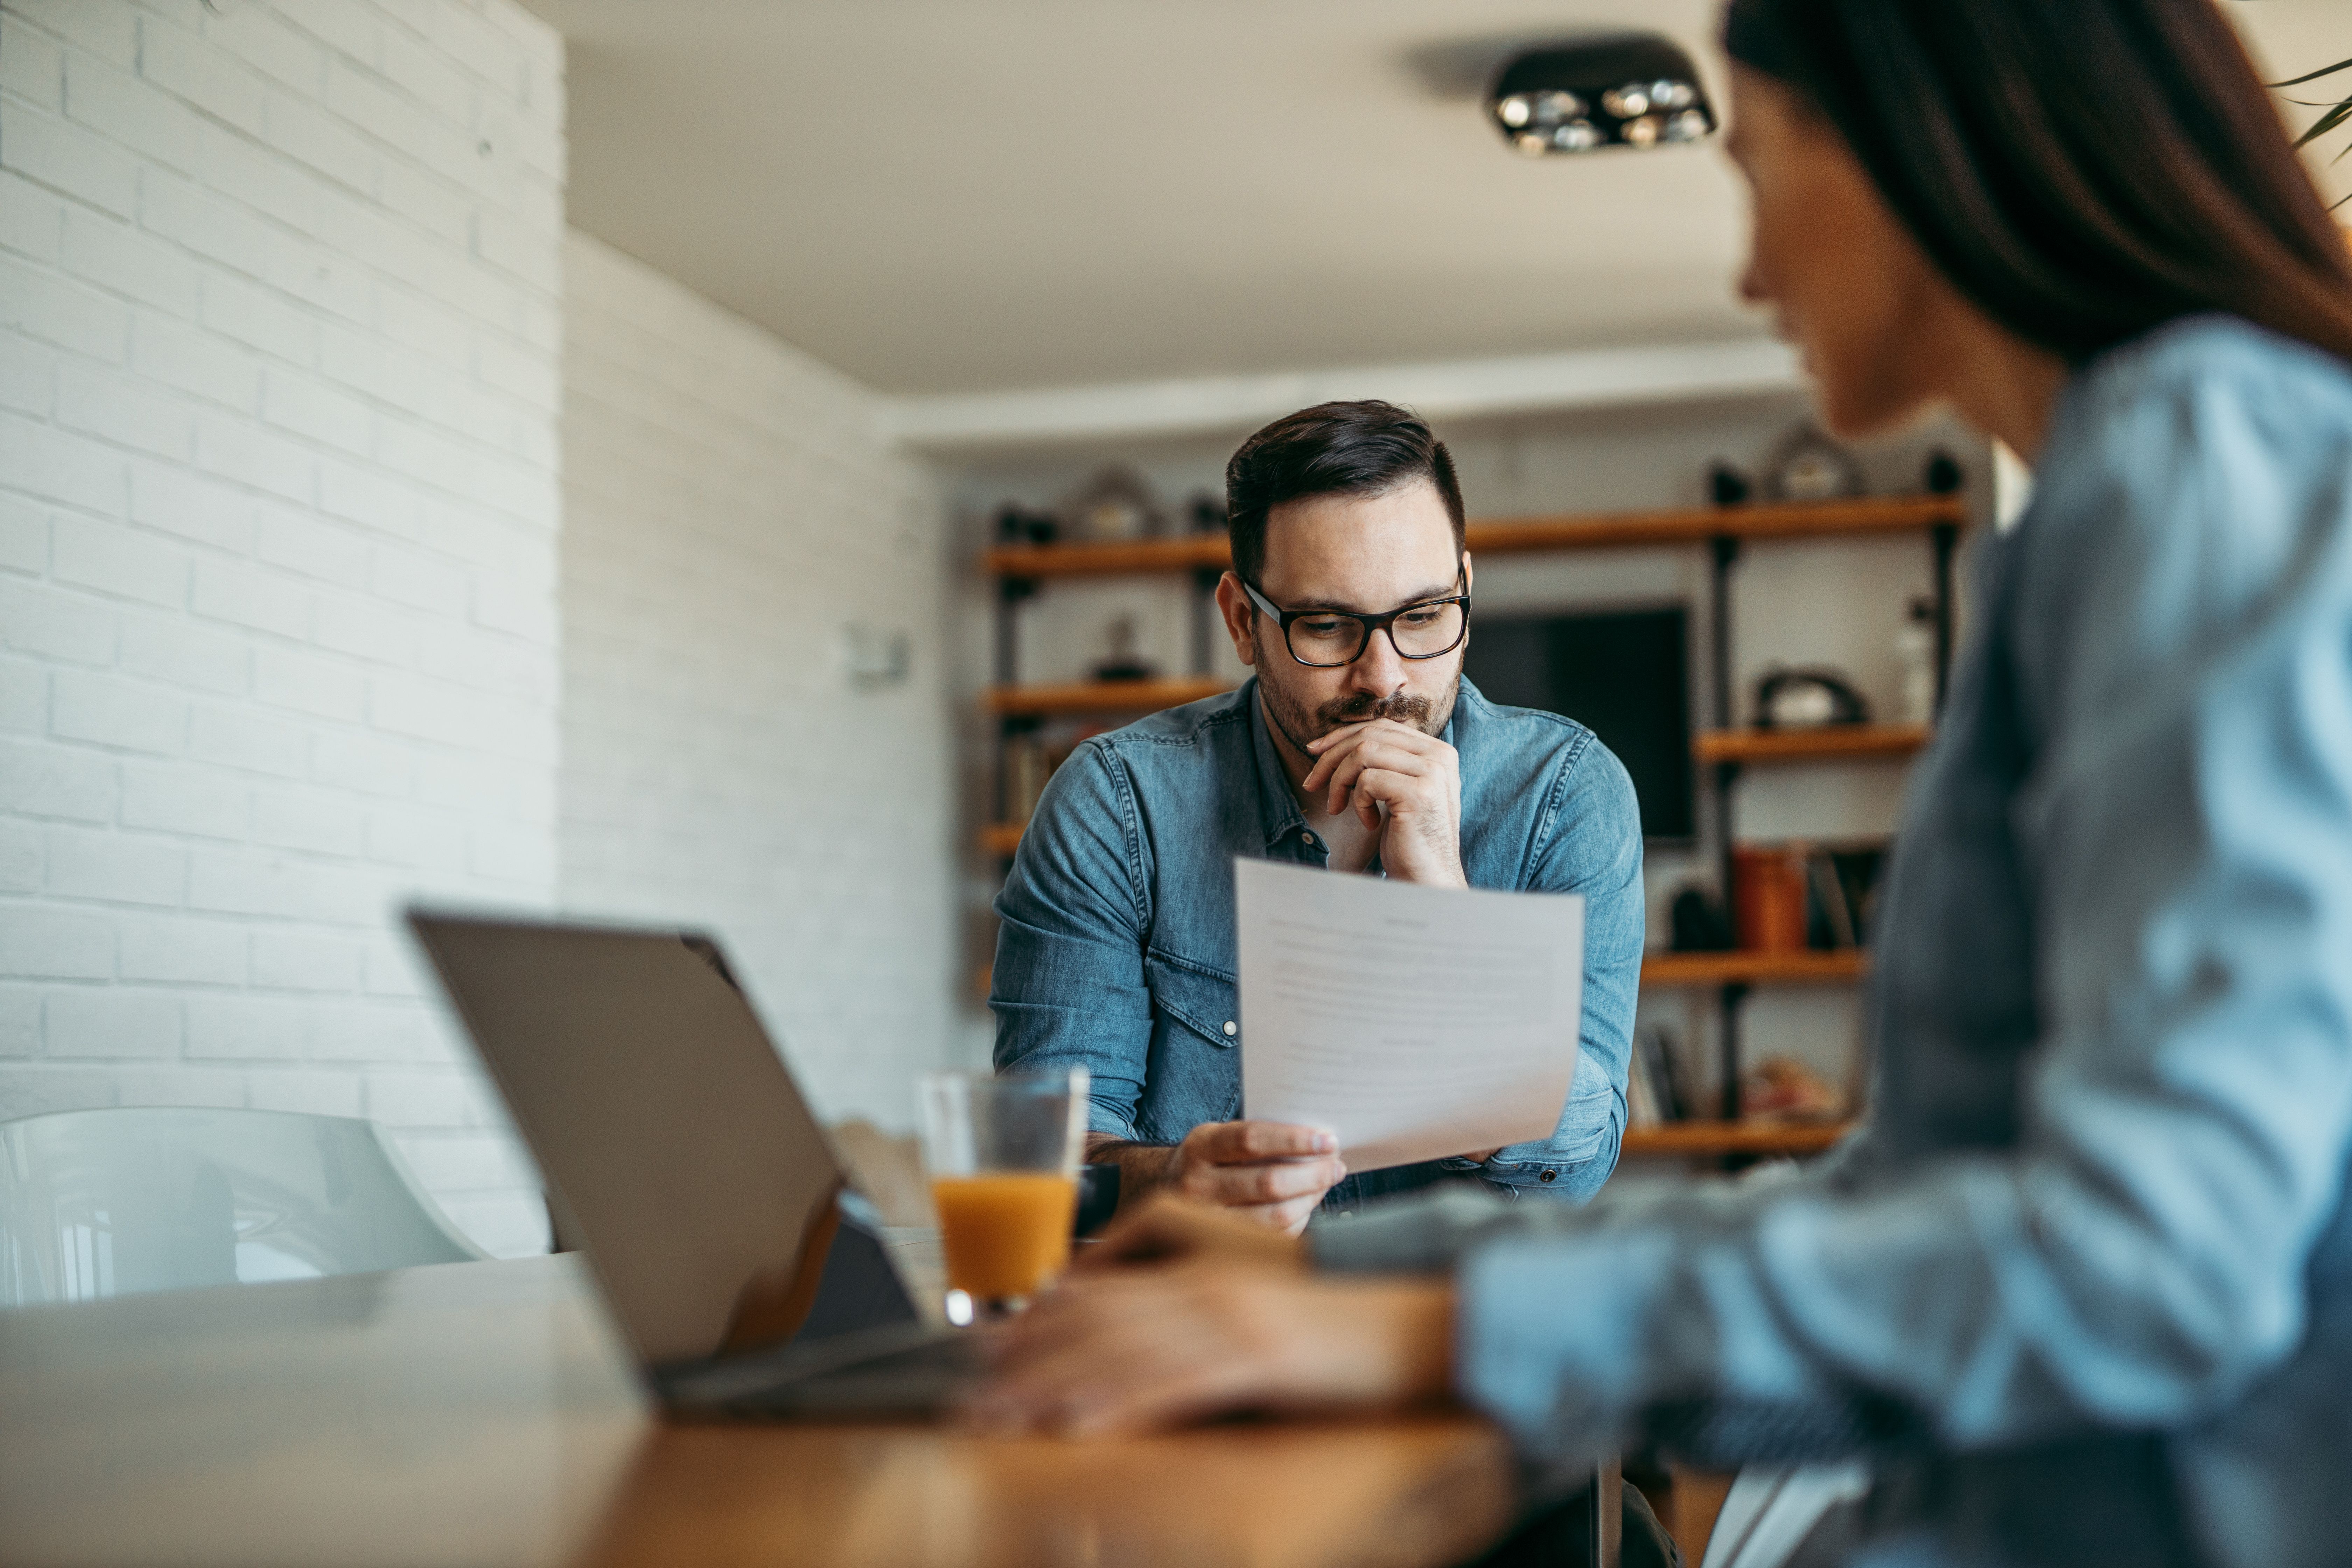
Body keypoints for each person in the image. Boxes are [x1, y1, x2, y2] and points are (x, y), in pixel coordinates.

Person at [972, 2, 2352, 1565]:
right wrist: (1346, 1290)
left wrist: (1433, 1327)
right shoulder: (2137, 494)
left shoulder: (2193, 473)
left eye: (1757, 170)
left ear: (1913, 152)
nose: (1753, 273)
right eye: (1333, 624)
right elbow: (1919, 1196)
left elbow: (2153, 1258)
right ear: (1249, 621)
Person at [991, 401, 1645, 1231]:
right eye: (1328, 626)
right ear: (1241, 620)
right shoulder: (1117, 804)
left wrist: (1441, 908)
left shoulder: (1566, 793)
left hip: (1445, 1334)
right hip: (1206, 1326)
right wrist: (1174, 1180)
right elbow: (1039, 1164)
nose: (1385, 676)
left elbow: (1572, 1171)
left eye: (1422, 616)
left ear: (1466, 591)